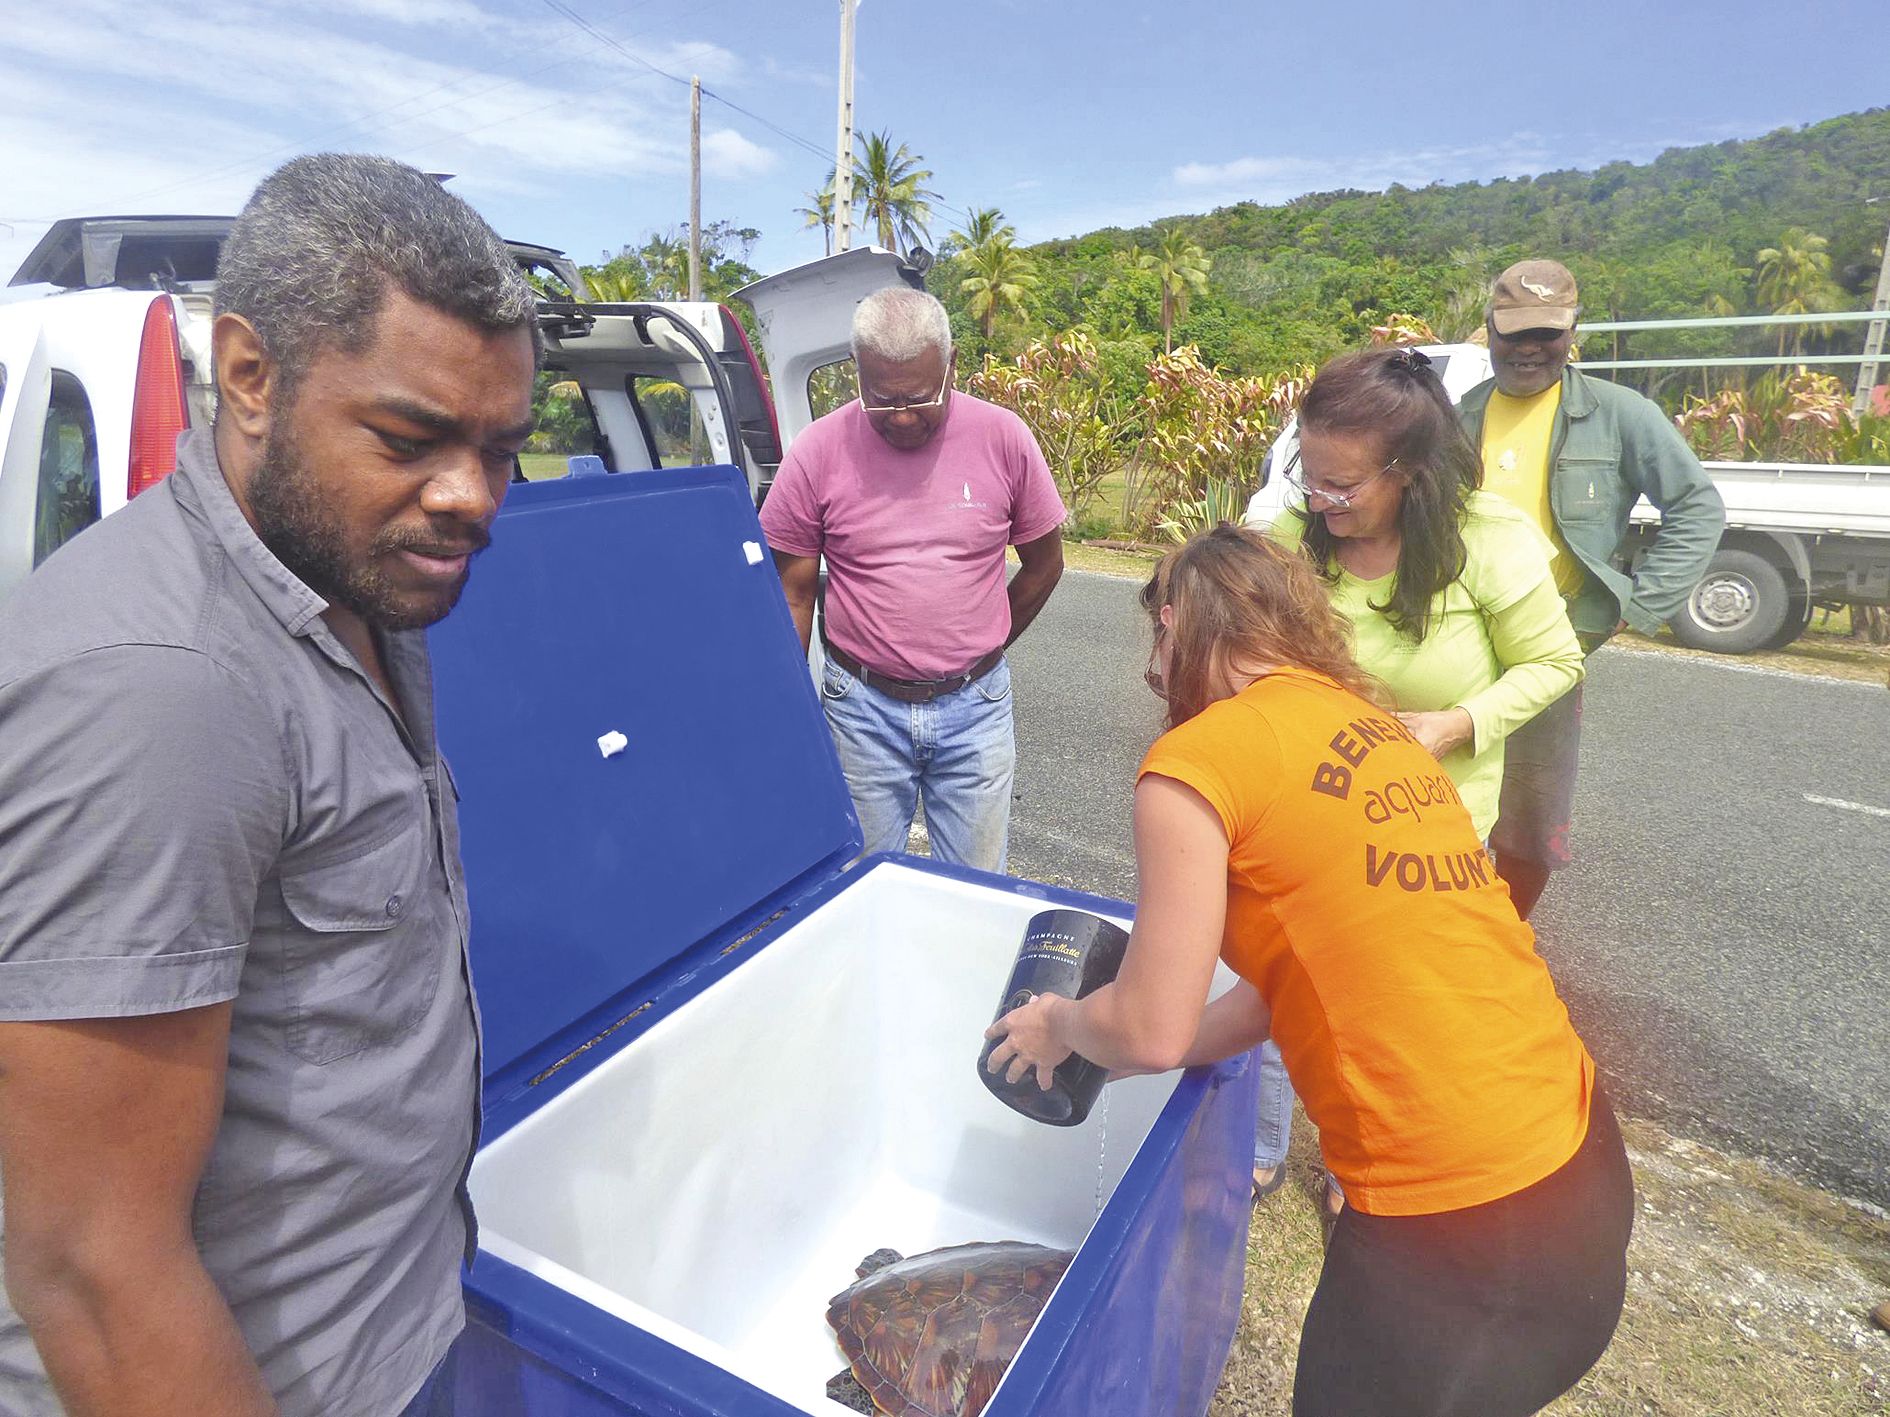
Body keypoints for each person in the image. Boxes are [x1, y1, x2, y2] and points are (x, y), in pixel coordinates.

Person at [0, 155, 540, 1416]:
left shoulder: (358, 579)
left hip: (389, 1332)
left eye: (503, 448)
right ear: (248, 373)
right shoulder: (161, 686)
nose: (471, 497)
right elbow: (90, 1261)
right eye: (410, 438)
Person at [985, 525, 1634, 1417]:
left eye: (1158, 641)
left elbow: (1149, 1022)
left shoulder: (1196, 761)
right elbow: (1283, 985)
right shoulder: (1382, 731)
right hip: (1581, 1164)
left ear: (1174, 624)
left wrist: (1062, 1023)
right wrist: (1138, 1053)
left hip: (1460, 1225)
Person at [1255, 345, 1586, 1209]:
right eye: (1310, 477)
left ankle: (1356, 1161)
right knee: (1276, 969)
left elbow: (1554, 660)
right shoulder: (1295, 534)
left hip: (1428, 819)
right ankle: (1256, 1144)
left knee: (1379, 999)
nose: (1322, 502)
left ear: (1409, 473)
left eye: (1345, 487)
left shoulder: (1487, 539)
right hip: (1308, 807)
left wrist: (1456, 723)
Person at [761, 287, 1066, 872]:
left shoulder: (1004, 438)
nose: (901, 417)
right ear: (858, 374)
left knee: (975, 891)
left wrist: (985, 644)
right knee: (856, 886)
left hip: (976, 710)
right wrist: (791, 704)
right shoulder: (818, 451)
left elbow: (1045, 563)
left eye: (920, 399)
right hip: (861, 713)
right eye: (882, 400)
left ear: (951, 368)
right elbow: (794, 590)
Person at [1458, 259, 1725, 918]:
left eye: (1546, 333)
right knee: (1445, 790)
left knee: (1527, 814)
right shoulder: (1458, 414)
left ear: (1572, 331)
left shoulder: (1618, 414)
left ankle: (1504, 940)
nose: (1527, 348)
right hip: (1455, 633)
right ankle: (1446, 931)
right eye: (1512, 331)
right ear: (1488, 328)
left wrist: (1640, 603)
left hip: (1550, 644)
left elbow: (1696, 505)